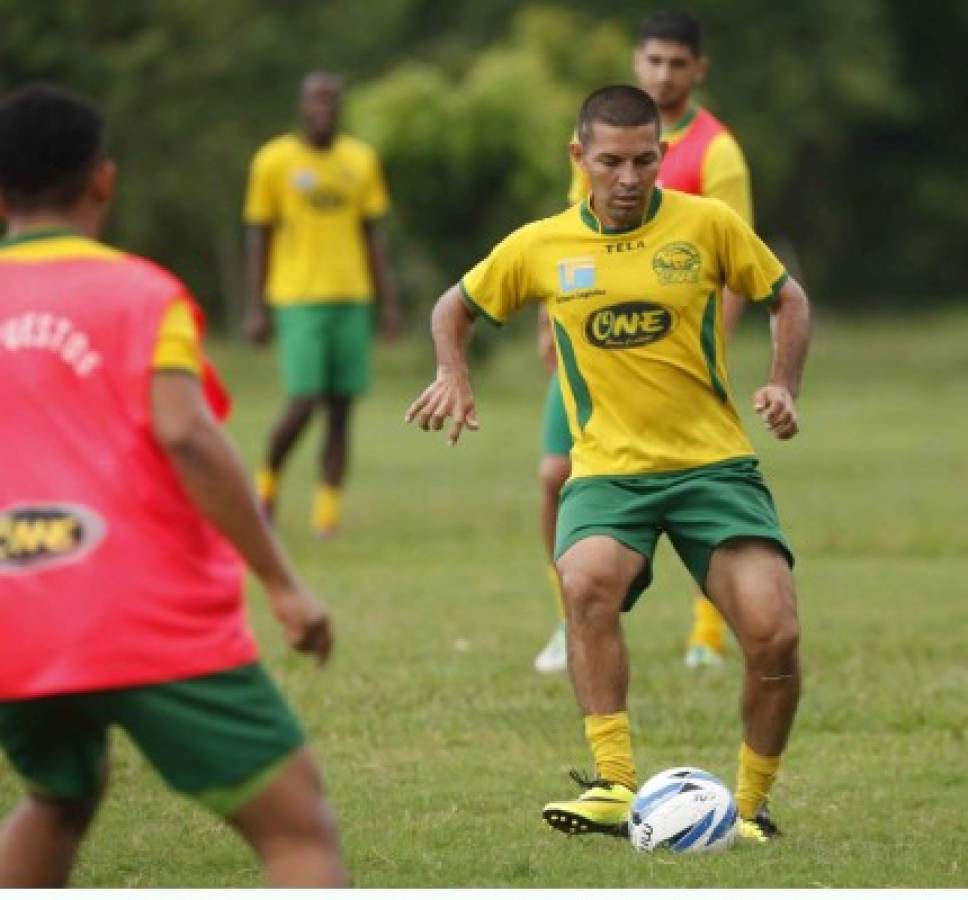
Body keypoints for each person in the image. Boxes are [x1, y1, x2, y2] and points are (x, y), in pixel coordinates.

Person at [406, 85, 810, 842]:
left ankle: (752, 808)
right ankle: (613, 783)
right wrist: (452, 371)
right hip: (609, 472)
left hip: (714, 465)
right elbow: (450, 307)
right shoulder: (541, 245)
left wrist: (783, 384)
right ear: (579, 158)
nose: (629, 178)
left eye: (645, 160)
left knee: (775, 634)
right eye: (611, 161)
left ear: (663, 154)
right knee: (584, 578)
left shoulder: (710, 226)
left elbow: (788, 298)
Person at [0, 84, 346, 887]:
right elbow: (187, 434)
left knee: (58, 797)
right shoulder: (146, 295)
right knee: (300, 835)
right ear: (104, 181)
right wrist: (285, 585)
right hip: (140, 615)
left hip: (14, 611)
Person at [534, 9, 754, 674]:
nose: (663, 73)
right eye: (653, 60)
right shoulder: (601, 135)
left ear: (698, 70)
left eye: (677, 63)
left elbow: (740, 268)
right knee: (554, 475)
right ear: (637, 62)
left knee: (698, 486)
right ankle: (570, 616)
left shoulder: (718, 151)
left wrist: (715, 348)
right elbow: (573, 232)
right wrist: (550, 320)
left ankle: (707, 634)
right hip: (593, 352)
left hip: (673, 356)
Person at [244, 70, 401, 536]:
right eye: (314, 101)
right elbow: (258, 234)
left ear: (340, 106)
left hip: (352, 296)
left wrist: (388, 303)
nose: (323, 109)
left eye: (331, 101)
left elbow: (374, 234)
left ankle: (326, 516)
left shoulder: (361, 159)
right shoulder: (273, 161)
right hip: (298, 298)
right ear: (300, 104)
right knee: (303, 402)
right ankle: (266, 487)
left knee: (341, 410)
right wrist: (254, 306)